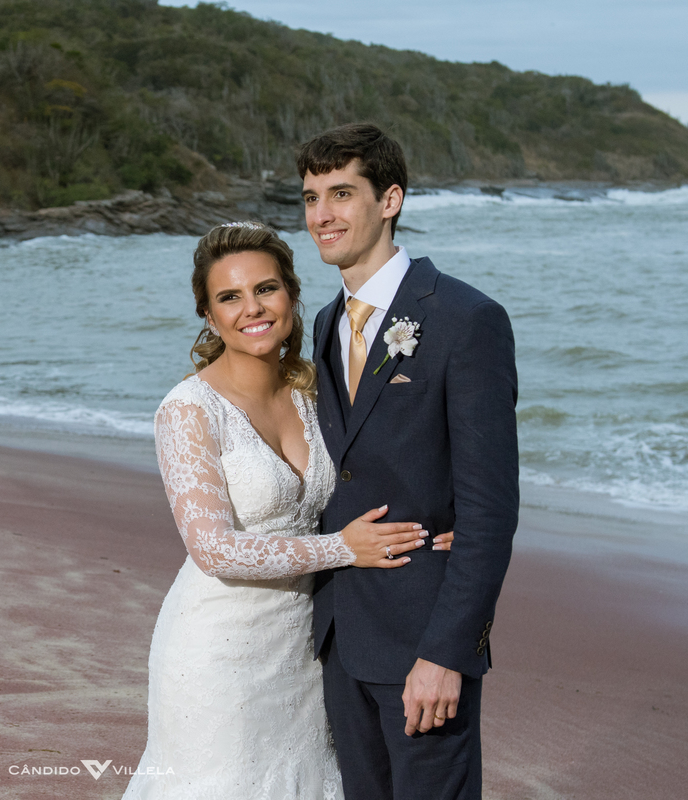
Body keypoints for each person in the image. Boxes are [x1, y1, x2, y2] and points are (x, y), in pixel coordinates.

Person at [121, 221, 453, 799]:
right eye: (230, 297)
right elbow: (213, 548)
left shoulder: (314, 393)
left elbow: (379, 470)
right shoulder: (188, 411)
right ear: (207, 313)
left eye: (266, 289)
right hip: (216, 651)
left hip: (307, 648)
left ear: (293, 297)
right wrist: (344, 548)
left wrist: (445, 523)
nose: (253, 308)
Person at [301, 123, 518, 800]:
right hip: (342, 633)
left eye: (341, 193)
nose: (321, 215)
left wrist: (448, 653)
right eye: (310, 198)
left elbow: (489, 508)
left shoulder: (466, 318)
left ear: (389, 199)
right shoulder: (326, 322)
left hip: (423, 638)